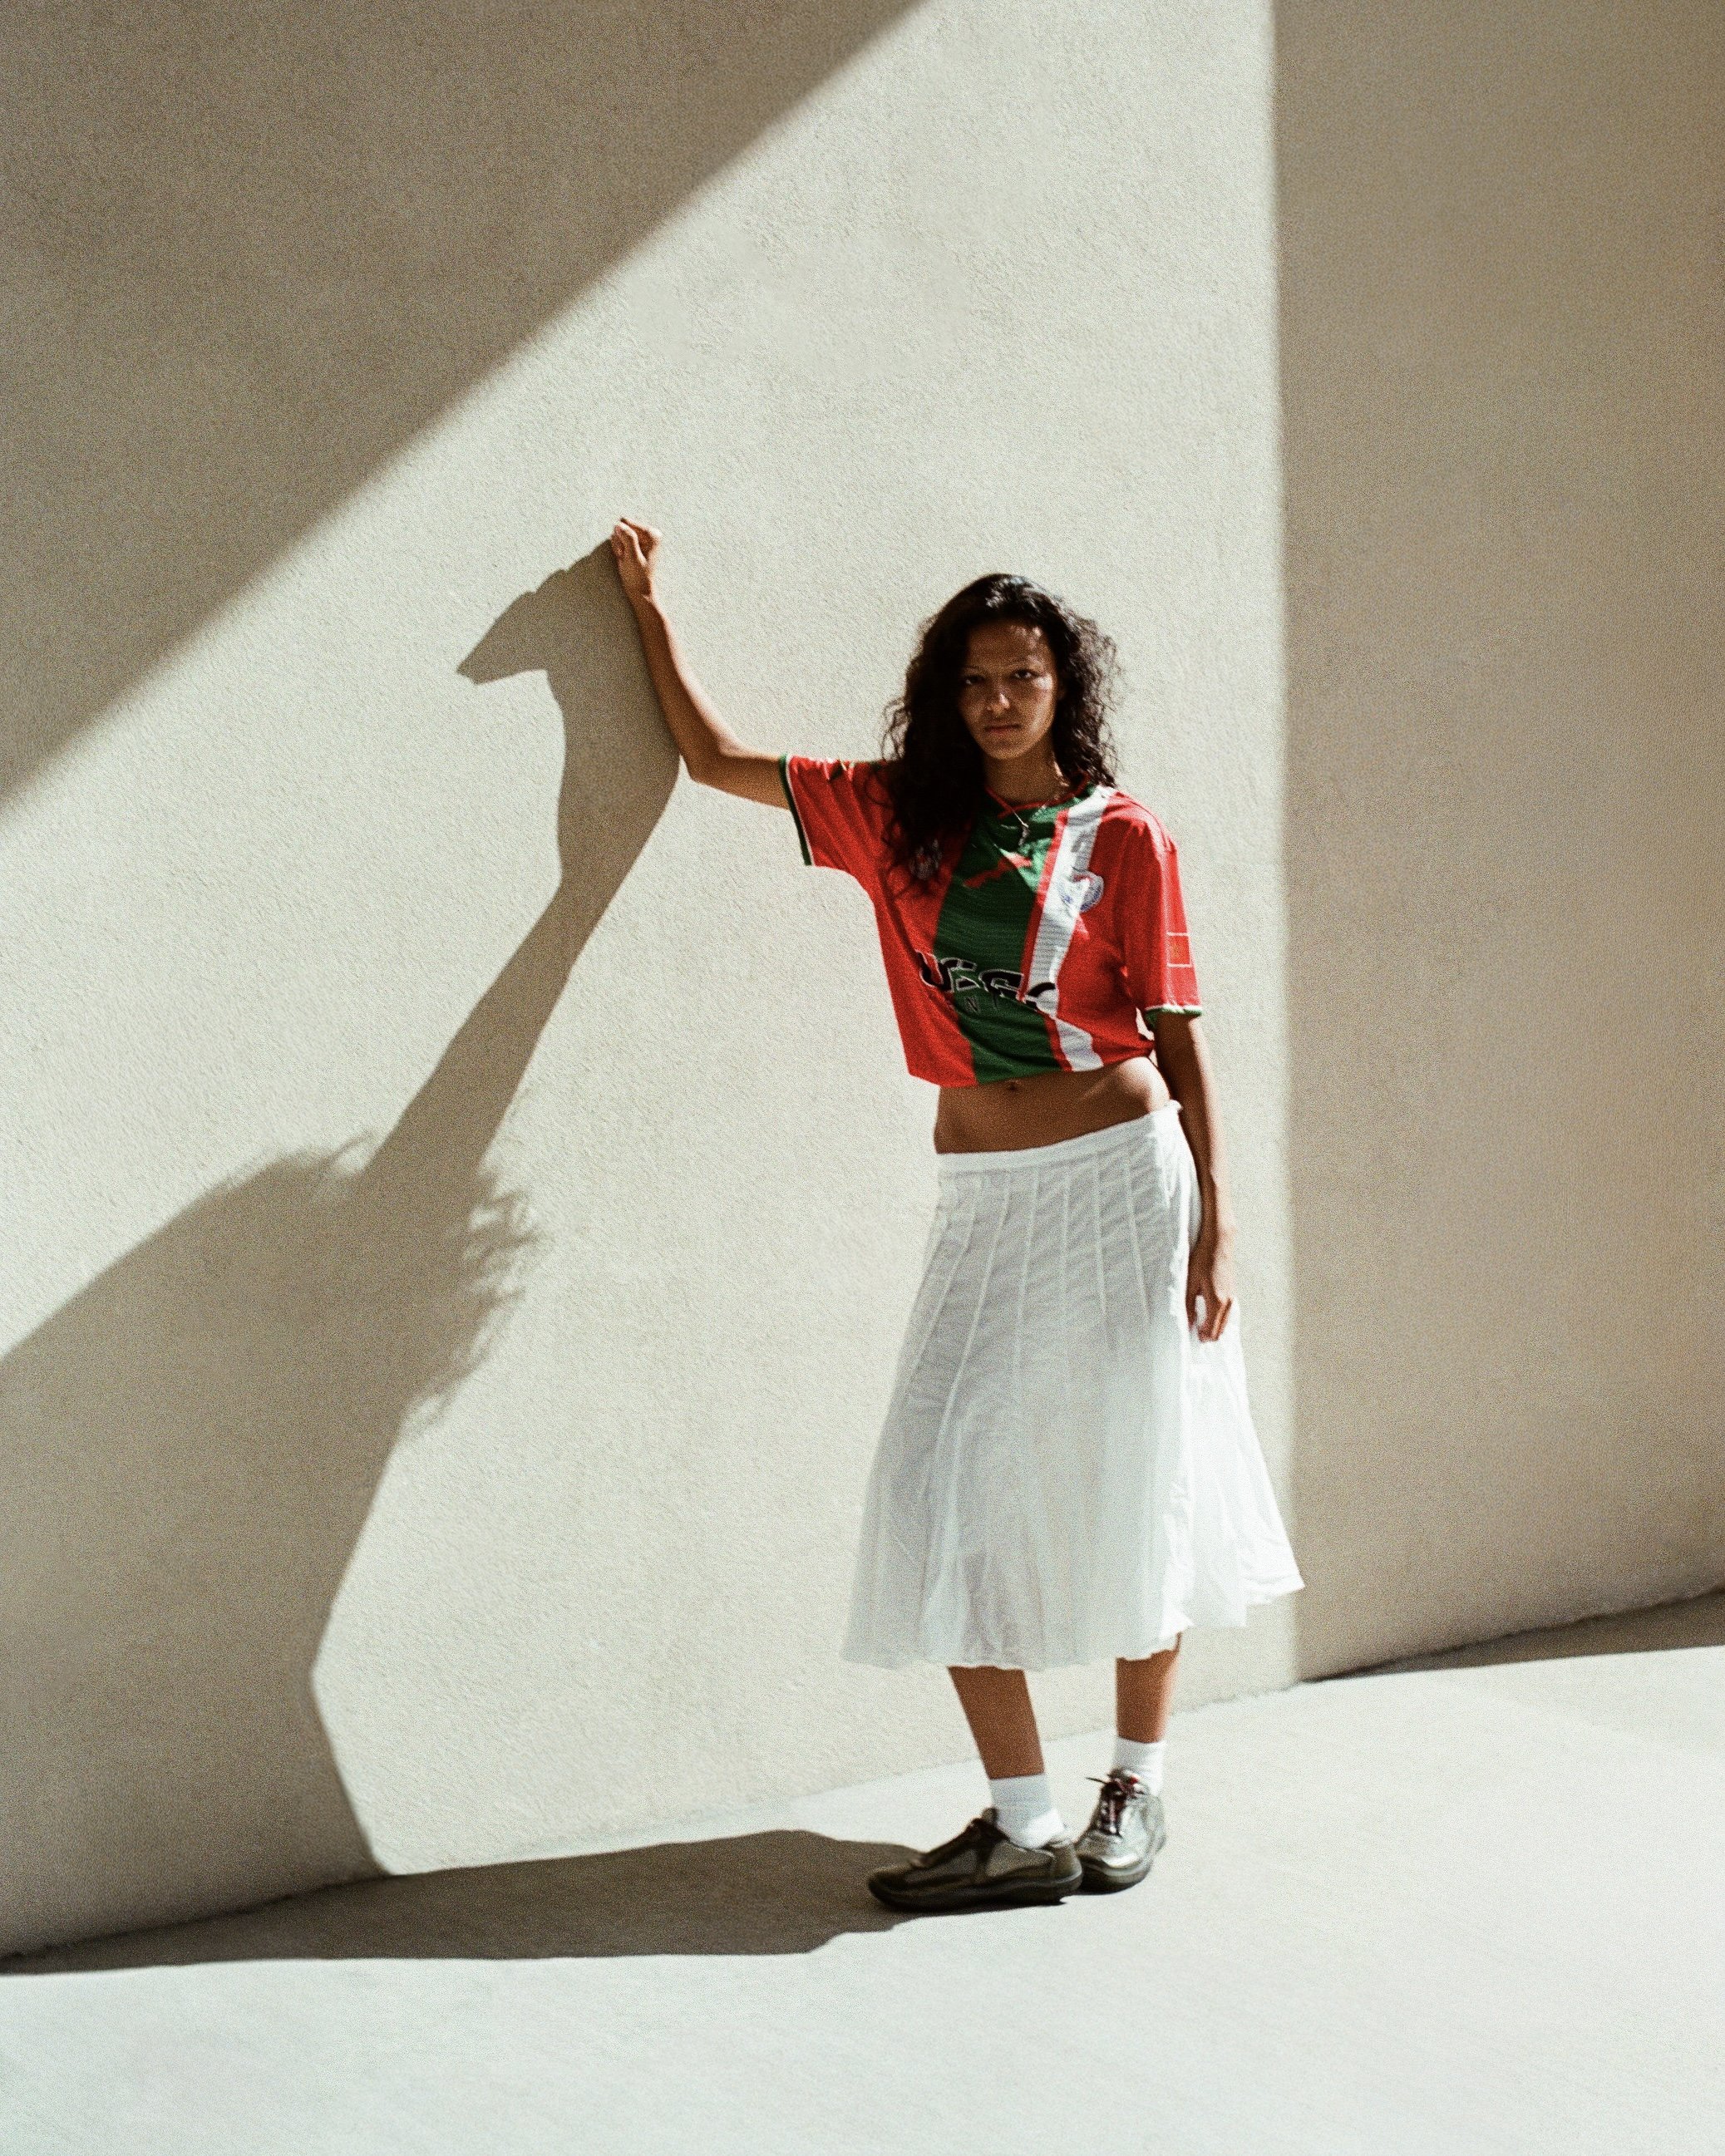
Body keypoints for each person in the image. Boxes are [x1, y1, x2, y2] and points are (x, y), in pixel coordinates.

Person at [609, 516, 1304, 1914]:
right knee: (939, 1481)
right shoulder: (892, 816)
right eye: (975, 680)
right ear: (947, 695)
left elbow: (1177, 1033)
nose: (998, 700)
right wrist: (645, 615)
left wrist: (1220, 1212)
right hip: (984, 1198)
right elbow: (710, 759)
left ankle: (1136, 1786)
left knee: (1139, 1478)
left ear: (1065, 687)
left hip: (1121, 1190)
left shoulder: (1125, 840)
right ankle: (1020, 1820)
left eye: (1024, 677)